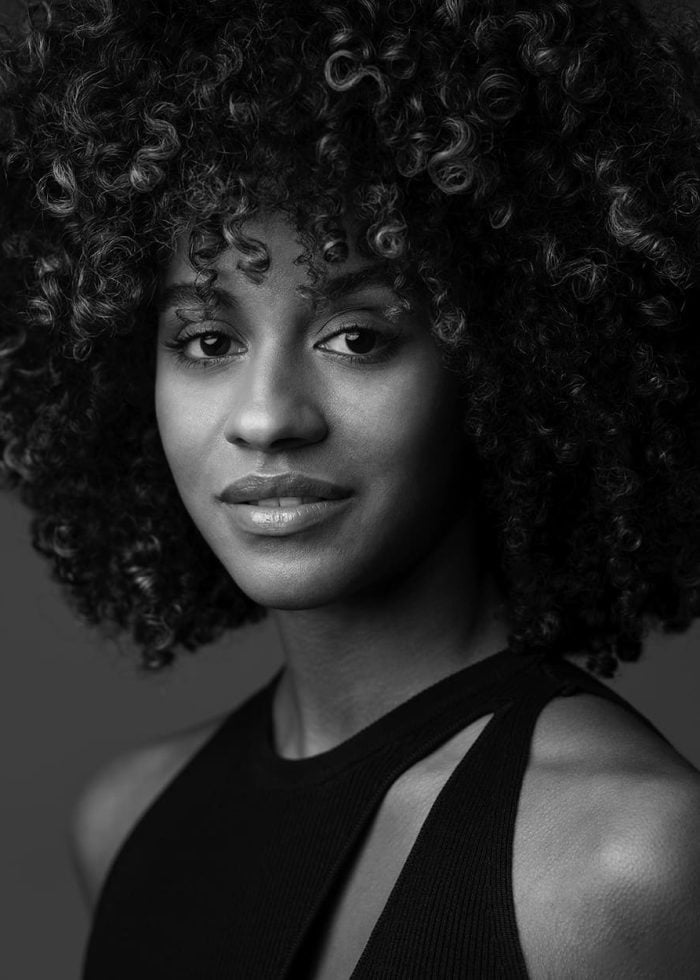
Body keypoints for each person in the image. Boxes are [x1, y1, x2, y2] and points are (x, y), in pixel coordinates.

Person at [1, 0, 700, 975]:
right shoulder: (123, 822)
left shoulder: (627, 862)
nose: (268, 414)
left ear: (508, 360)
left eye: (357, 337)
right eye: (207, 340)